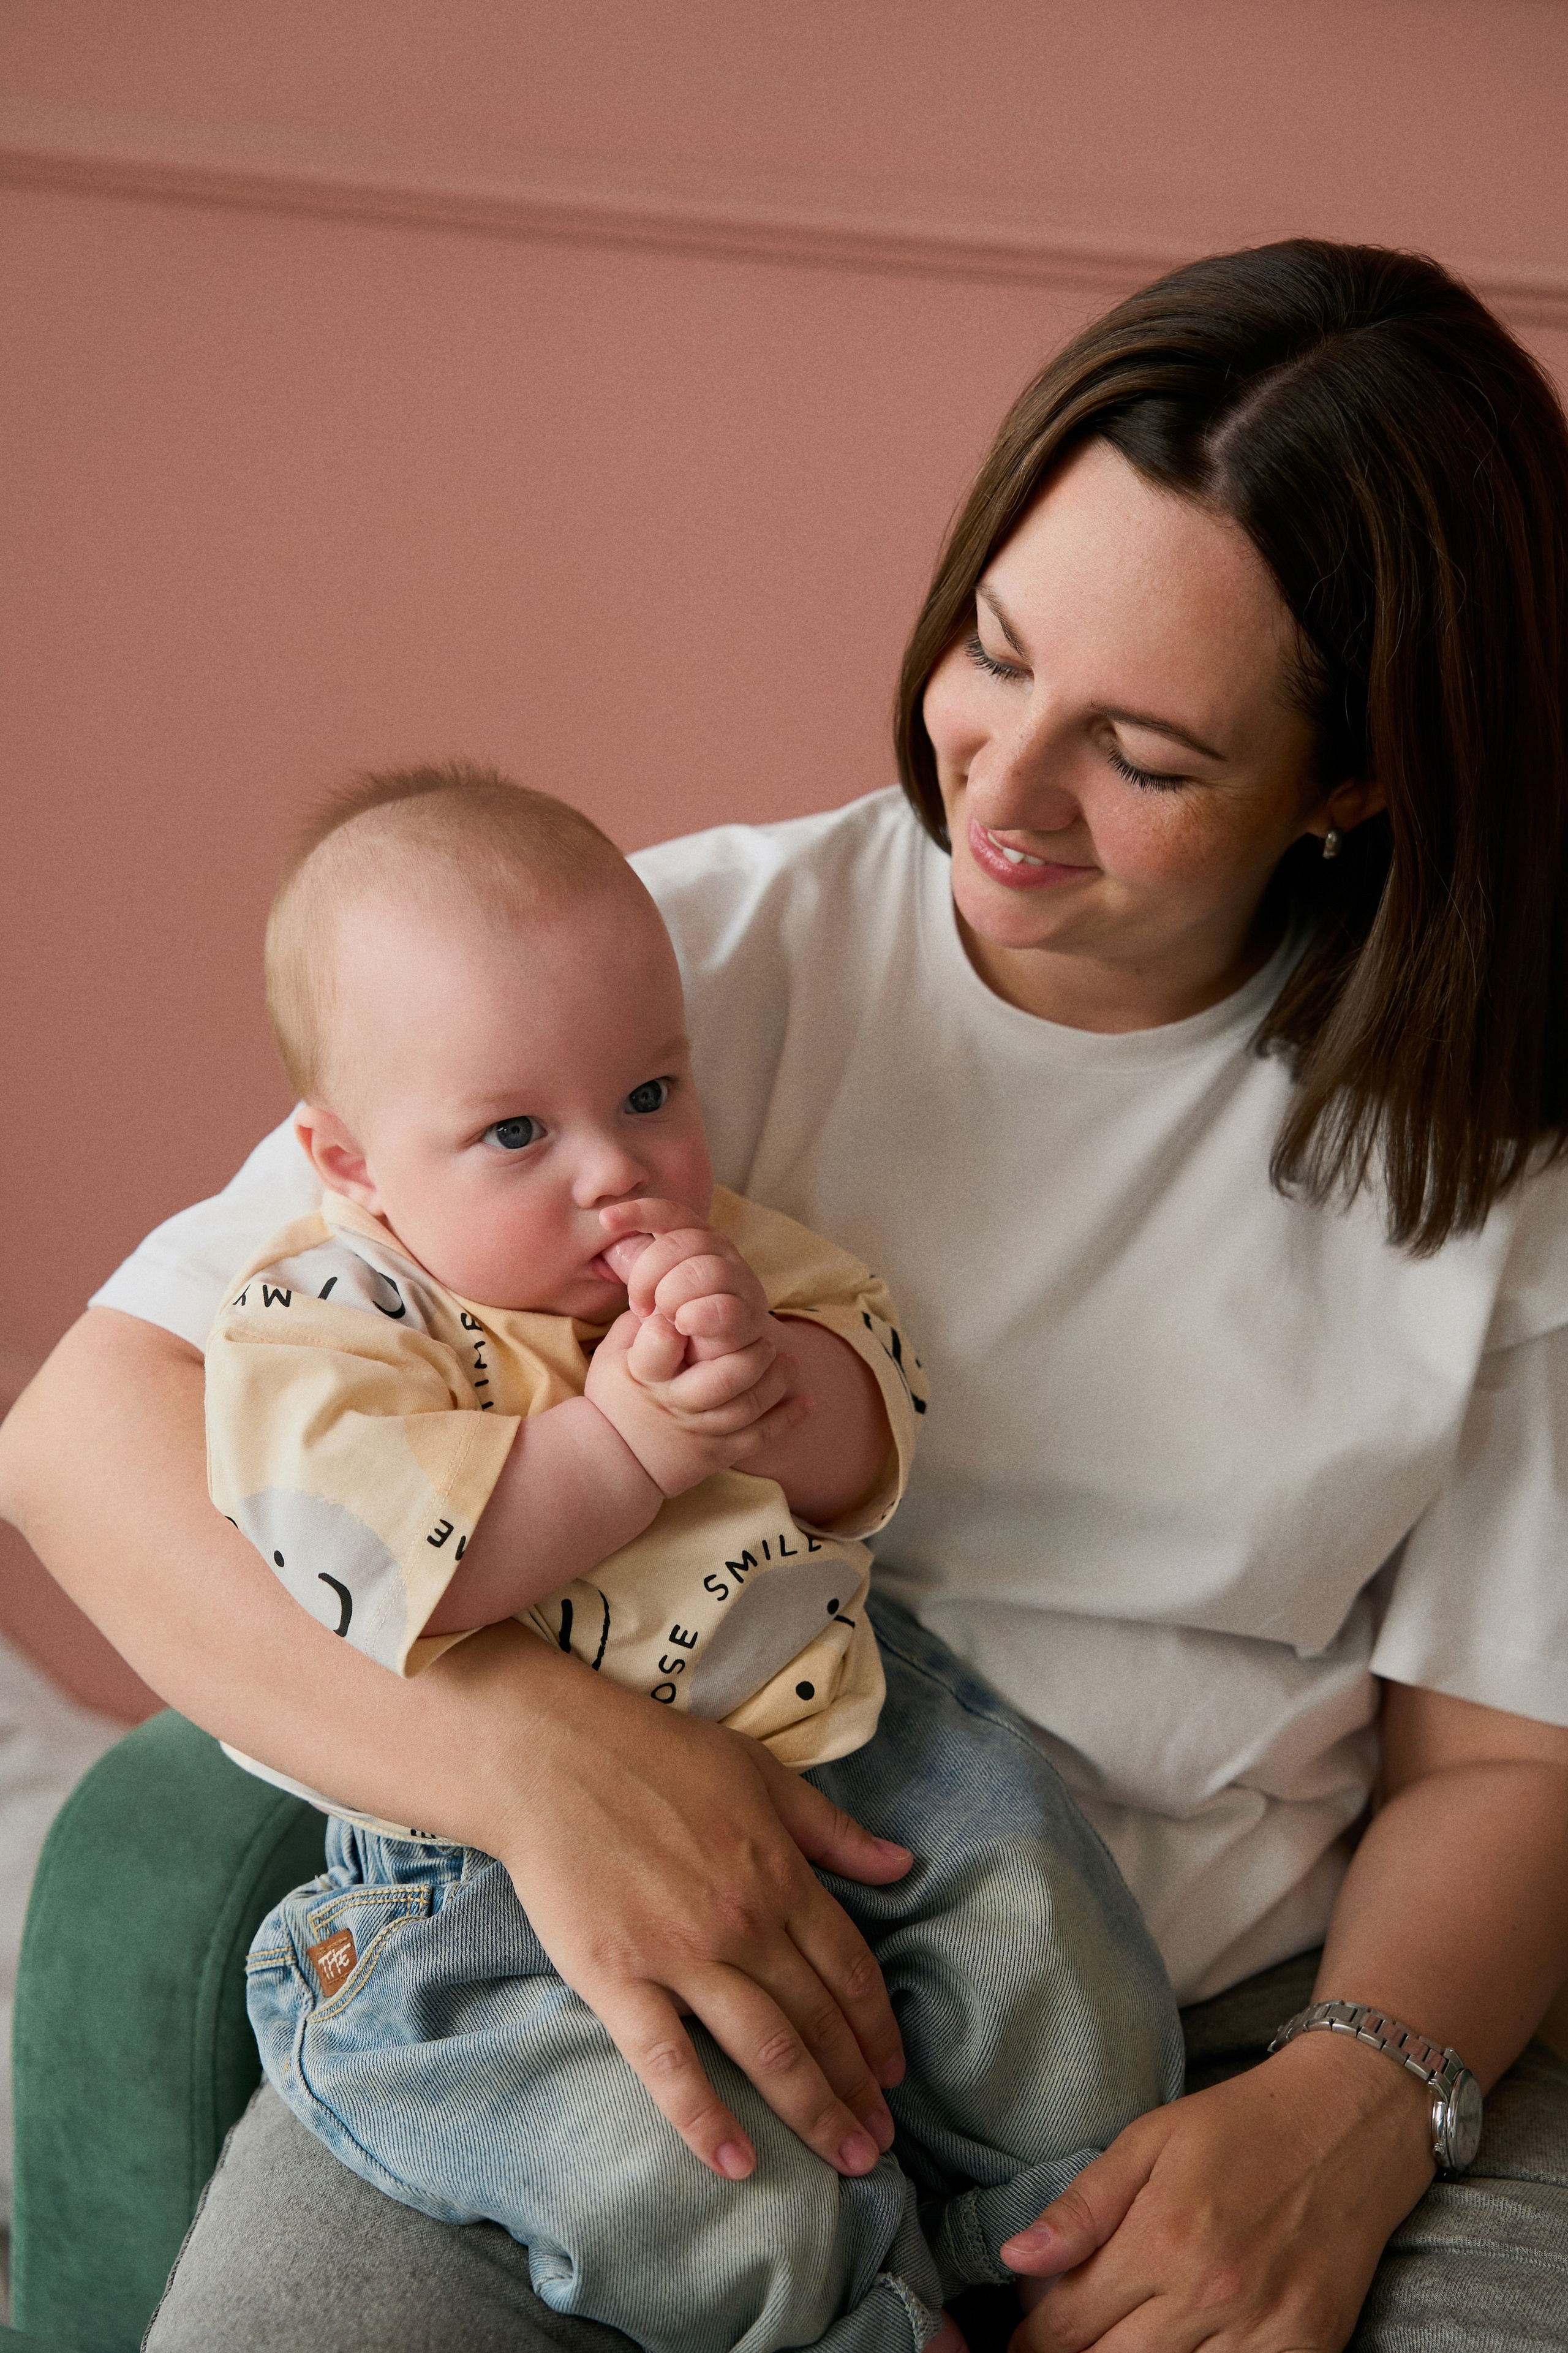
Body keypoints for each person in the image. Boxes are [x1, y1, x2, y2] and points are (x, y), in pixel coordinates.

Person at [4, 236, 1568, 2352]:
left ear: (1355, 781)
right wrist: (546, 1773)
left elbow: (1502, 1761)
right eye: (993, 651)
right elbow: (85, 1441)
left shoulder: (1497, 1159)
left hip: (1219, 2018)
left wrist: (1354, 2102)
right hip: (595, 1941)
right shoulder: (661, 981)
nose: (1000, 786)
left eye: (1146, 755)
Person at [206, 765, 1180, 2353]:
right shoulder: (327, 1325)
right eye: (516, 1130)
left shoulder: (722, 1248)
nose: (618, 1170)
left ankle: (1059, 2232)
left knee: (1041, 1932)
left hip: (841, 1723)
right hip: (493, 1873)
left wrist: (783, 1386)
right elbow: (400, 1576)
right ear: (354, 1161)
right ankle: (867, 2319)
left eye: (650, 1093)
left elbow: (872, 1435)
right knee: (698, 2176)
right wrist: (629, 1445)